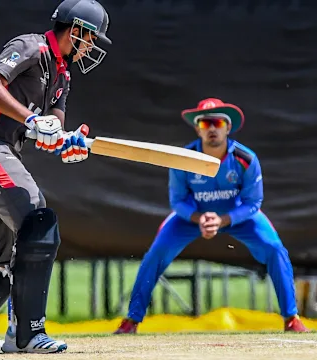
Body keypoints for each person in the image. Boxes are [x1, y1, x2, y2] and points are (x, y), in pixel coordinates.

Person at [0, 0, 112, 354]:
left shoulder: (63, 75)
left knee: (7, 249)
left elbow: (53, 125)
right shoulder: (31, 46)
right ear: (75, 30)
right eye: (90, 38)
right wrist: (32, 121)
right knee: (37, 220)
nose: (90, 47)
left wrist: (67, 141)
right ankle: (26, 333)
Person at [114, 98, 311, 334]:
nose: (212, 129)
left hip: (237, 216)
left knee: (274, 248)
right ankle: (132, 320)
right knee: (156, 253)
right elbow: (177, 202)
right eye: (206, 124)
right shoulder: (182, 159)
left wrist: (223, 219)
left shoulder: (246, 159)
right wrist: (200, 218)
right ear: (198, 129)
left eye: (218, 122)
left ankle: (291, 318)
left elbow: (253, 203)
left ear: (228, 128)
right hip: (193, 217)